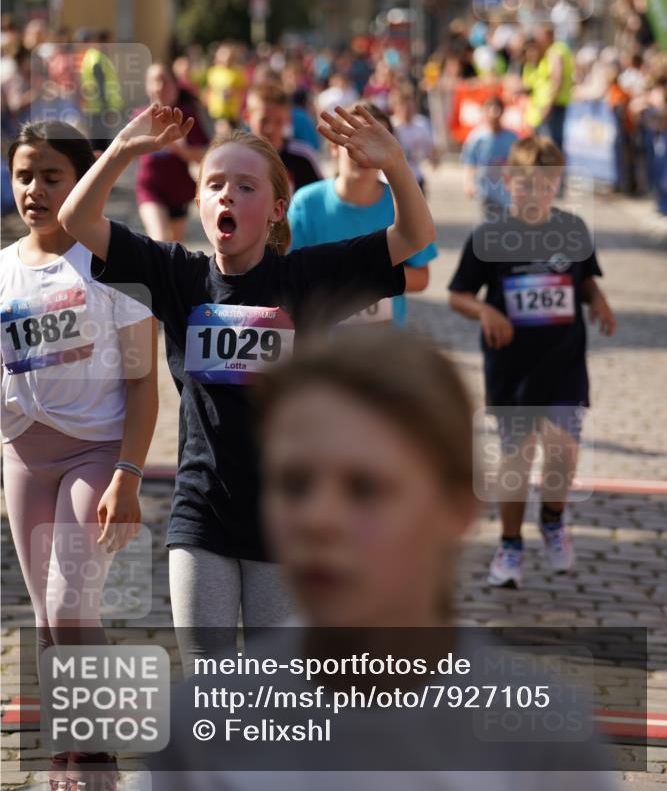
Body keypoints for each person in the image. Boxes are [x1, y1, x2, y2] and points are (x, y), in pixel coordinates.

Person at [151, 327, 618, 790]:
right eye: (293, 484)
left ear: (458, 506)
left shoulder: (543, 745)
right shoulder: (201, 728)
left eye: (365, 488)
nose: (318, 519)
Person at [58, 100, 436, 669]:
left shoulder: (305, 278)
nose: (227, 194)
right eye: (214, 185)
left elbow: (412, 238)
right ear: (200, 204)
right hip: (200, 512)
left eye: (245, 185)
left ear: (278, 209)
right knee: (210, 677)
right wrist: (123, 151)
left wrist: (395, 167)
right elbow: (76, 221)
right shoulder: (178, 276)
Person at [1, 120, 158, 790]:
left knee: (70, 606)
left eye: (52, 176)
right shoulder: (4, 266)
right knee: (47, 616)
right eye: (24, 175)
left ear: (82, 179)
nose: (35, 190)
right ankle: (71, 751)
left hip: (95, 450)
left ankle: (99, 753)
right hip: (22, 456)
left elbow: (144, 382)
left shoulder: (113, 265)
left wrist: (127, 472)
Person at [448, 136, 616, 589]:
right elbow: (458, 295)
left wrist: (599, 303)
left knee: (564, 453)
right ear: (508, 182)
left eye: (546, 185)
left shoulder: (573, 230)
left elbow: (586, 280)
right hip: (511, 368)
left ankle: (553, 519)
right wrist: (485, 310)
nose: (535, 194)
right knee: (515, 461)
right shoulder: (490, 236)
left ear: (556, 184)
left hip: (564, 363)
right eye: (525, 185)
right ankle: (509, 545)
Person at [288, 102, 437, 326]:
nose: (363, 153)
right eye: (355, 139)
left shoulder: (401, 202)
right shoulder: (306, 202)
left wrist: (360, 282)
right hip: (321, 344)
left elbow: (422, 277)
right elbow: (289, 271)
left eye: (375, 143)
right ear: (334, 146)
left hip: (382, 345)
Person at [135, 62, 210, 242]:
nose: (159, 87)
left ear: (176, 86)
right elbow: (126, 151)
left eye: (164, 81)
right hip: (150, 189)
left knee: (175, 247)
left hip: (179, 191)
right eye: (153, 81)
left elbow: (205, 156)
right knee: (159, 240)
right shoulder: (140, 116)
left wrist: (180, 149)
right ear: (146, 86)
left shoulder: (185, 115)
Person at [244, 82, 322, 193]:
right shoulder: (235, 157)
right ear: (247, 117)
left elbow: (317, 198)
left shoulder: (303, 157)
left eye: (278, 122)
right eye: (264, 121)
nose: (270, 128)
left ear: (288, 120)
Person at [460, 95, 517, 218]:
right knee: (489, 225)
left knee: (506, 224)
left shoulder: (512, 138)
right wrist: (468, 183)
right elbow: (470, 162)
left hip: (506, 191)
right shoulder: (477, 137)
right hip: (485, 190)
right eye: (489, 109)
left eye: (497, 110)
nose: (493, 114)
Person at [525, 25, 574, 152]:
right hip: (555, 103)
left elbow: (556, 78)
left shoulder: (555, 51)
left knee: (549, 145)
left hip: (553, 104)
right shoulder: (560, 49)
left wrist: (548, 105)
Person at [389, 83, 437, 193]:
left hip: (416, 177)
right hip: (393, 180)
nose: (407, 111)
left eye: (410, 106)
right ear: (395, 107)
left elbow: (431, 146)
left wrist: (434, 159)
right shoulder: (391, 126)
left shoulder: (421, 124)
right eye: (403, 107)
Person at [205, 42, 247, 126]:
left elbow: (243, 90)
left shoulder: (238, 71)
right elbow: (209, 89)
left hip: (232, 111)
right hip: (215, 111)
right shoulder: (213, 71)